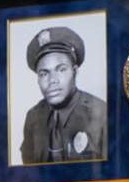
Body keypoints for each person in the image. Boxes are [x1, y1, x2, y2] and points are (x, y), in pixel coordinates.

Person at [19, 26, 108, 164]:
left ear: (75, 72)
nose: (52, 80)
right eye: (44, 73)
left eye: (61, 70)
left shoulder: (101, 113)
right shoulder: (33, 117)